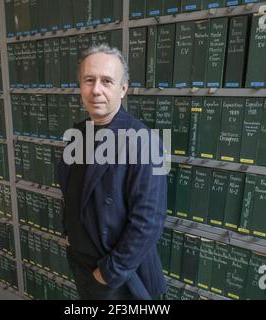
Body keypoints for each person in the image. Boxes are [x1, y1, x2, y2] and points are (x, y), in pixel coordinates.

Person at [57, 44, 167, 300]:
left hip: (120, 277)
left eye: (107, 81)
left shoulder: (145, 141)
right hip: (83, 265)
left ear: (123, 89)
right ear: (80, 87)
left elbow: (149, 222)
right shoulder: (79, 134)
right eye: (89, 80)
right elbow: (70, 191)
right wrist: (68, 235)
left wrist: (107, 274)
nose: (96, 90)